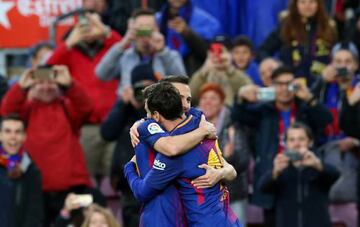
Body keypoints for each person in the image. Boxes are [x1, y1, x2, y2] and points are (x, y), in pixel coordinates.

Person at [125, 82, 241, 226]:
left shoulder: (173, 155)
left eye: (148, 114)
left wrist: (129, 167)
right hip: (230, 219)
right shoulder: (200, 121)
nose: (146, 119)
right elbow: (232, 171)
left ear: (156, 116)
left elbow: (142, 192)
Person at [232, 66, 333, 227]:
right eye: (280, 84)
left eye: (289, 84)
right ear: (272, 85)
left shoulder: (305, 109)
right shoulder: (263, 110)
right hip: (274, 176)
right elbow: (237, 115)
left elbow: (326, 120)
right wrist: (241, 97)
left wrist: (310, 98)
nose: (285, 89)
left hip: (303, 176)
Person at [1, 66, 94, 226]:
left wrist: (70, 84)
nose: (45, 87)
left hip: (70, 188)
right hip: (36, 190)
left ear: (59, 86)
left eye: (51, 82)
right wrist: (21, 87)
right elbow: (7, 113)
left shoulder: (67, 107)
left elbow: (86, 108)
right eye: (40, 83)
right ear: (32, 87)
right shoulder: (27, 109)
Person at [47, 12, 121, 183]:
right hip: (85, 127)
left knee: (122, 180)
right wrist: (68, 43)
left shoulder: (112, 46)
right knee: (84, 181)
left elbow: (129, 49)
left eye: (93, 24)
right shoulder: (69, 51)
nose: (89, 29)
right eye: (83, 25)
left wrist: (106, 32)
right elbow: (46, 71)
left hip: (115, 123)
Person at [312, 42, 360, 227]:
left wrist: (355, 140)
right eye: (338, 61)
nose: (343, 66)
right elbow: (306, 109)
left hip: (355, 154)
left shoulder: (358, 88)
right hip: (326, 151)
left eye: (348, 61)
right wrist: (320, 81)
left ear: (355, 65)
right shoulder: (325, 88)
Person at [259, 122, 339, 227]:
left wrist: (317, 165)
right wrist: (275, 172)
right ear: (286, 144)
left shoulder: (318, 165)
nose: (296, 144)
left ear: (310, 142)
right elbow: (262, 188)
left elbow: (335, 175)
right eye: (292, 140)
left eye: (301, 139)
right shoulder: (280, 166)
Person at [96, 8, 186, 97]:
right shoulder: (126, 56)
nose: (144, 34)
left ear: (157, 29)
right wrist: (123, 44)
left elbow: (182, 84)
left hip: (160, 107)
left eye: (148, 29)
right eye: (140, 29)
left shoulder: (169, 55)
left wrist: (162, 51)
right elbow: (102, 74)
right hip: (129, 108)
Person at [198, 83, 251, 224]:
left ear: (222, 103)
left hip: (233, 195)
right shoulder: (190, 127)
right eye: (204, 98)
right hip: (202, 197)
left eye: (213, 98)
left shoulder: (233, 126)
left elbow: (244, 161)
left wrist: (230, 156)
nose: (208, 102)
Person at [257, 0, 337, 85]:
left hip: (322, 83)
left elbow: (339, 52)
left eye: (312, 2)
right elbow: (262, 51)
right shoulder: (286, 25)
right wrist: (271, 63)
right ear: (296, 4)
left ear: (319, 4)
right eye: (303, 2)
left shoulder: (329, 26)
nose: (307, 6)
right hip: (290, 85)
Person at [0, 114, 43, 227]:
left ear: (24, 136)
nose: (13, 137)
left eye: (18, 132)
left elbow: (34, 214)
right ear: (0, 135)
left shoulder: (32, 171)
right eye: (8, 131)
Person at [156, 0, 221, 74]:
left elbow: (209, 53)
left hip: (193, 75)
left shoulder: (206, 21)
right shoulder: (156, 20)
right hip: (162, 74)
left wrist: (187, 33)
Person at [190, 41, 252, 106]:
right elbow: (190, 98)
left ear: (229, 54)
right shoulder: (202, 74)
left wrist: (230, 70)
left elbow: (250, 94)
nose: (218, 56)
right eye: (214, 51)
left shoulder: (237, 75)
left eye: (222, 51)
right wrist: (203, 71)